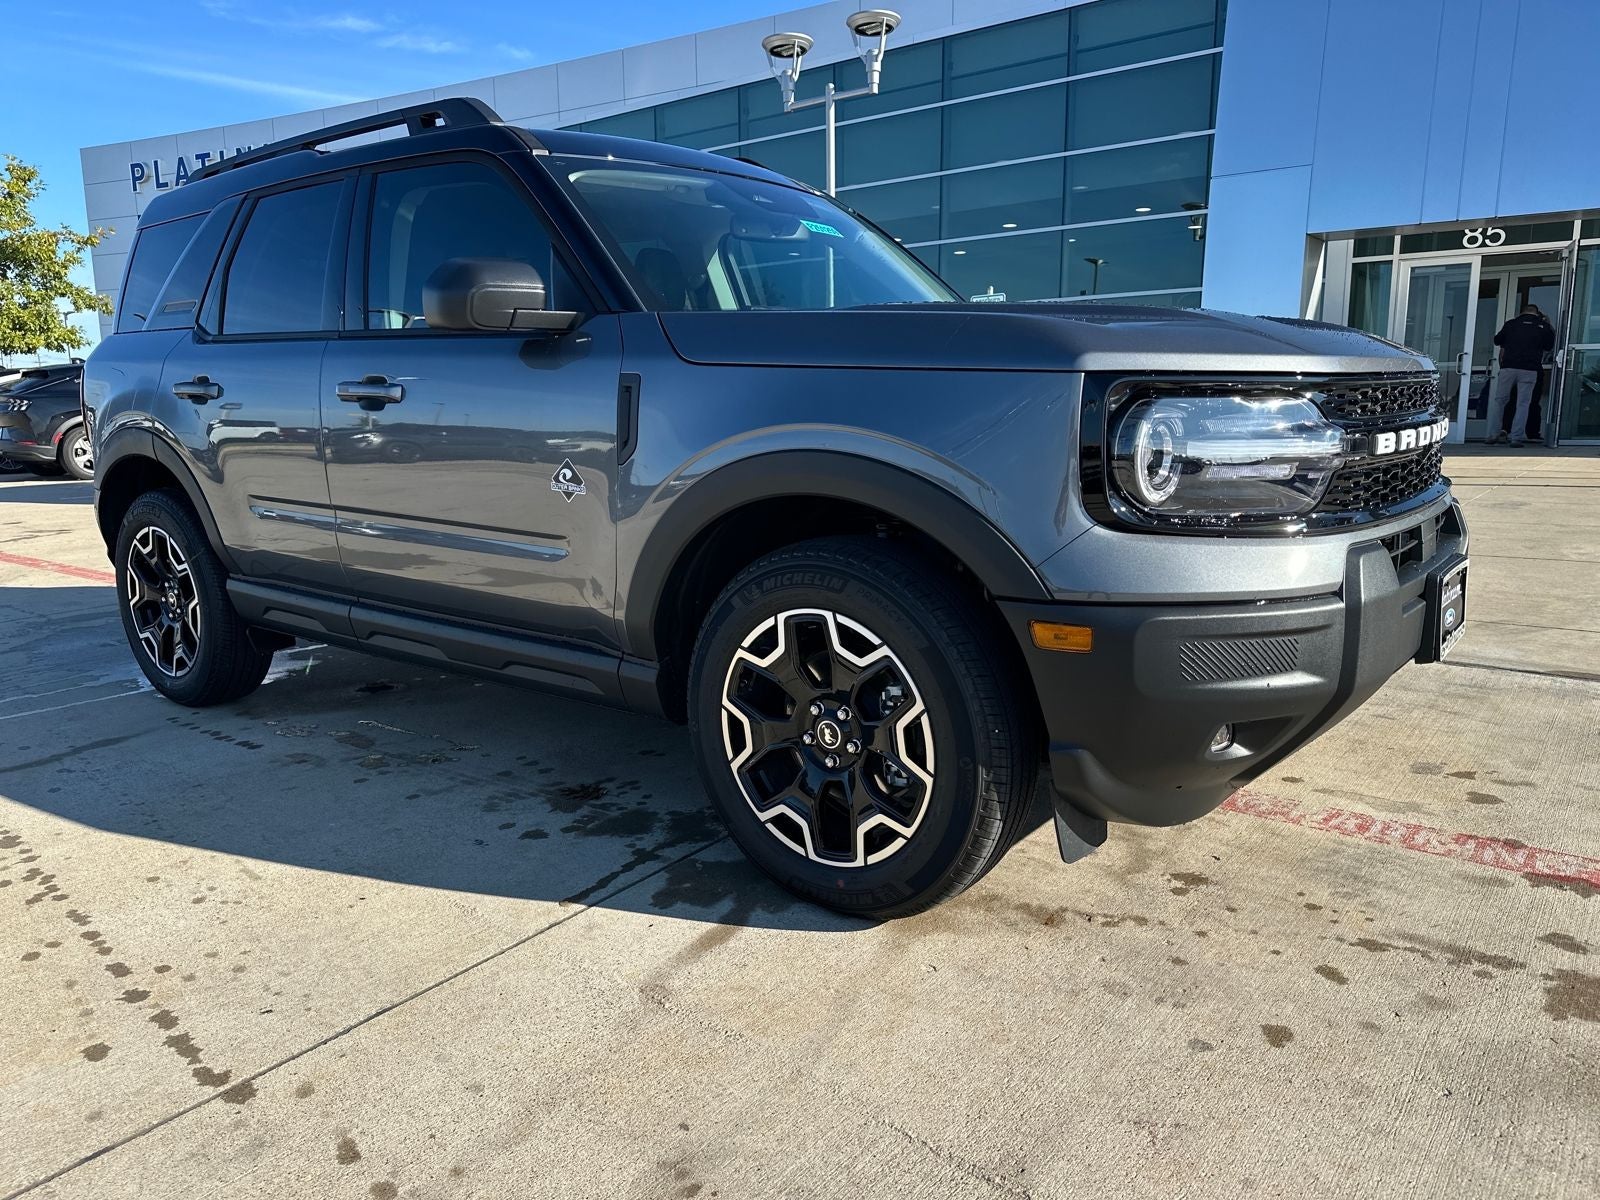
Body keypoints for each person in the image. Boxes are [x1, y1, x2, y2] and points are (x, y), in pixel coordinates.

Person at [1487, 303, 1555, 446]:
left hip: (1508, 367)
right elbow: (1549, 345)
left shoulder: (1511, 324)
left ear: (1521, 313)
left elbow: (1497, 340)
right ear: (1537, 313)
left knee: (1500, 401)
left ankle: (1493, 435)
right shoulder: (1542, 325)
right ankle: (1516, 437)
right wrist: (1546, 324)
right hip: (1530, 369)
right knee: (1523, 404)